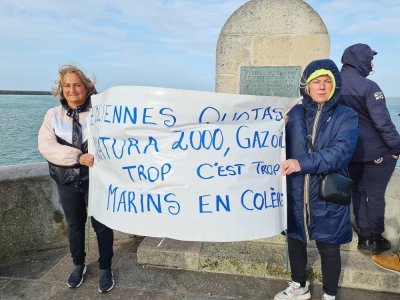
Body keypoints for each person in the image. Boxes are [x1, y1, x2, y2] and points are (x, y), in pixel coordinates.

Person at [274, 59, 359, 300]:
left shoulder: (347, 115)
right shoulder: (294, 113)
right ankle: (299, 285)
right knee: (295, 240)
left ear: (334, 86)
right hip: (295, 191)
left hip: (326, 192)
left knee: (329, 247)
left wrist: (301, 163)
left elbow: (341, 152)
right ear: (307, 87)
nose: (321, 87)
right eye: (316, 82)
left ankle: (330, 294)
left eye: (327, 82)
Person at [38, 64, 115, 293]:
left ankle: (105, 267)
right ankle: (78, 265)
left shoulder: (101, 112)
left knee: (103, 223)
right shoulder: (52, 116)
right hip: (68, 180)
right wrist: (78, 156)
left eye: (77, 84)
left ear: (86, 87)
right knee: (74, 225)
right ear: (61, 90)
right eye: (67, 86)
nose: (72, 90)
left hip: (98, 179)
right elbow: (46, 146)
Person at [340, 43, 400, 255]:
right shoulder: (368, 87)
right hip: (375, 153)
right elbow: (383, 123)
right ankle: (374, 239)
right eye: (370, 59)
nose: (372, 64)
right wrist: (396, 148)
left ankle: (364, 237)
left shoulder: (333, 85)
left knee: (357, 191)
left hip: (348, 153)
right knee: (375, 195)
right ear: (360, 60)